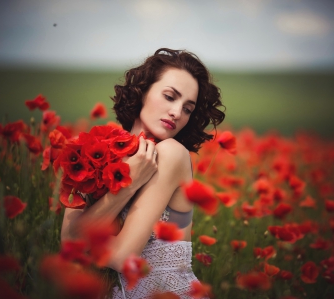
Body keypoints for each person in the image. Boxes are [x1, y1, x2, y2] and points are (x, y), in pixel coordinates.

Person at [61, 48, 225, 298]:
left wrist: (128, 183)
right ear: (143, 90)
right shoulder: (92, 152)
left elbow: (121, 256)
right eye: (170, 96)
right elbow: (68, 243)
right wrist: (131, 180)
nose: (177, 112)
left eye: (188, 109)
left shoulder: (172, 153)